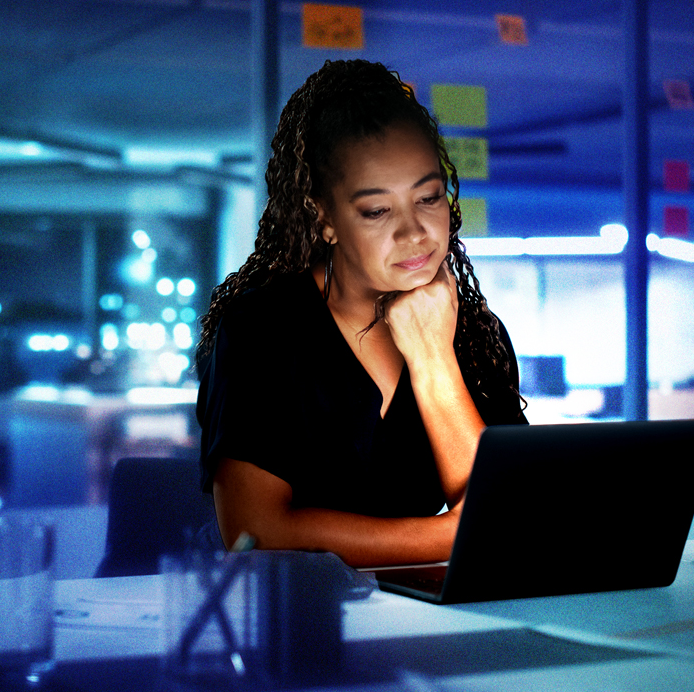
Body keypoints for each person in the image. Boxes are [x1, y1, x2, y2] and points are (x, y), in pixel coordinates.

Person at [195, 59, 526, 568]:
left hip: (425, 619)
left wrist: (434, 360)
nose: (414, 232)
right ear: (323, 216)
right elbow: (254, 532)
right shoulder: (262, 329)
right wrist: (449, 537)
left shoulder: (476, 334)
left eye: (429, 197)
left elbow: (514, 513)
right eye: (377, 210)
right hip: (296, 622)